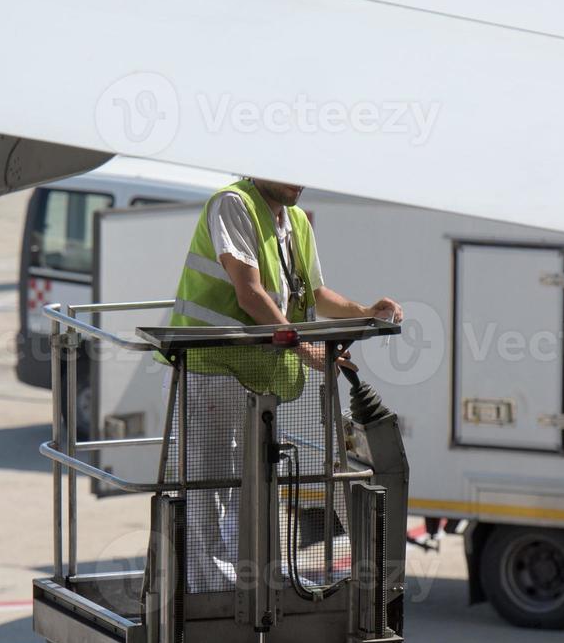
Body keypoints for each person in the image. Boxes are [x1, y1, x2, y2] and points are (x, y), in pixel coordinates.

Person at [165, 176, 402, 590]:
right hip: (213, 367)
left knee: (251, 489)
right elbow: (250, 293)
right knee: (210, 487)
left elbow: (313, 294)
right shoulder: (233, 204)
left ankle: (249, 587)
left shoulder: (295, 221)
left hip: (258, 378)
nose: (299, 182)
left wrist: (365, 312)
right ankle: (209, 594)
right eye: (288, 170)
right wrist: (302, 347)